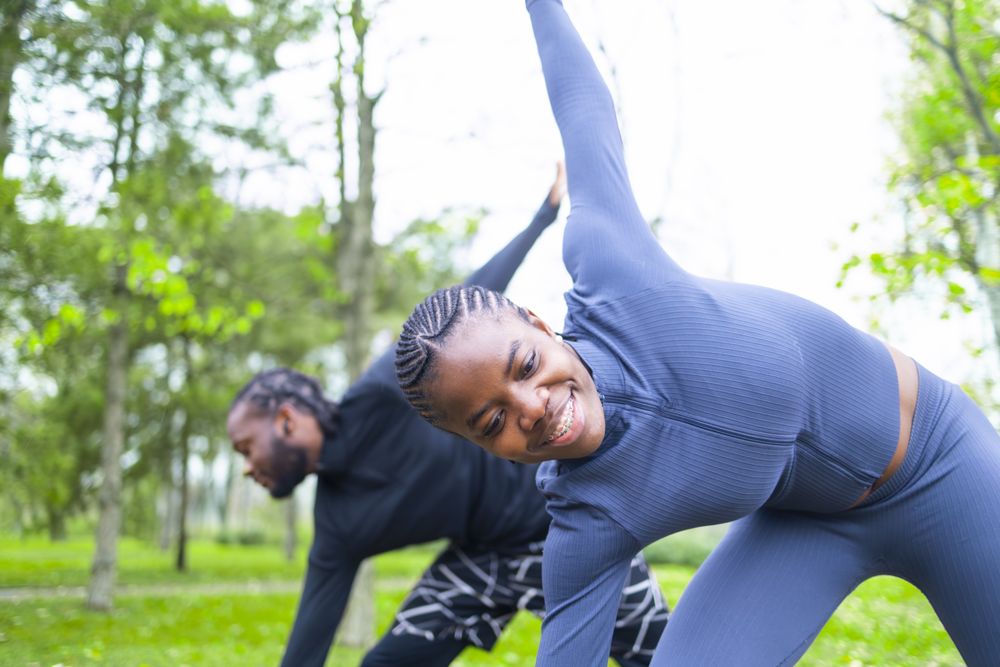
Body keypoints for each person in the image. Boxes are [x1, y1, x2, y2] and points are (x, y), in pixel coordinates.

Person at [393, 1, 1000, 665]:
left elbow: (582, 103)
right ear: (481, 447)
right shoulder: (587, 521)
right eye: (492, 420)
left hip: (940, 460)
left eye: (526, 365)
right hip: (803, 530)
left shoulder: (614, 270)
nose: (533, 407)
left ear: (541, 325)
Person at [226, 165, 670, 667]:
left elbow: (463, 320)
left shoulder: (380, 395)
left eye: (246, 447)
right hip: (480, 561)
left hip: (560, 525)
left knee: (667, 659)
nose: (246, 465)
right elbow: (311, 633)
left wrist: (541, 218)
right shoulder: (337, 523)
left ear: (287, 420)